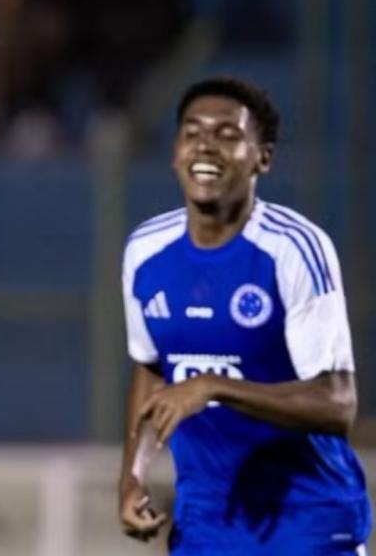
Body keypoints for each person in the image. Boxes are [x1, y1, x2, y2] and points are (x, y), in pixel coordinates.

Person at [117, 77, 371, 554]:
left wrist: (215, 386)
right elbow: (151, 369)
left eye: (227, 135)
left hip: (307, 524)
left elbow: (337, 405)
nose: (204, 146)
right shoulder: (145, 251)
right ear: (175, 151)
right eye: (192, 132)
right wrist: (132, 476)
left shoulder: (294, 249)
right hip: (205, 525)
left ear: (263, 158)